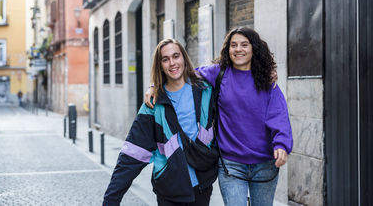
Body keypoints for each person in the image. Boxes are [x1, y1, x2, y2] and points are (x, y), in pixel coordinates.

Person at [145, 27, 293, 206]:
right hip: (231, 164)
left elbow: (278, 114)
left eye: (244, 44)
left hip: (265, 163)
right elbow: (180, 74)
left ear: (254, 48)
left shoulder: (266, 80)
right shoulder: (218, 73)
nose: (238, 49)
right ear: (227, 49)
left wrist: (282, 144)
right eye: (233, 45)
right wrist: (154, 85)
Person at [103, 39, 217, 206]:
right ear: (160, 65)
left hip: (202, 184)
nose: (172, 63)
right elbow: (132, 154)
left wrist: (268, 72)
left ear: (184, 58)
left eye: (176, 56)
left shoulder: (205, 90)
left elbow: (232, 69)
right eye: (165, 59)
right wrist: (110, 200)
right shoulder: (153, 105)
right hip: (169, 189)